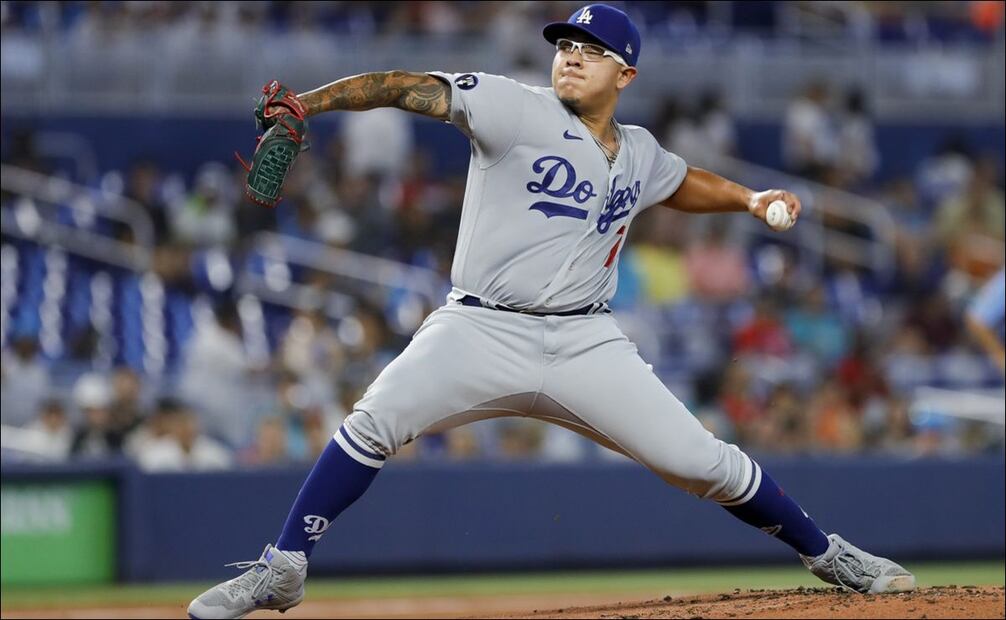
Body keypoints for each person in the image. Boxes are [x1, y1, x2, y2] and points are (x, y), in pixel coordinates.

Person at [189, 5, 914, 618]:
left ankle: (830, 555)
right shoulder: (514, 105)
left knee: (704, 463)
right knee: (374, 420)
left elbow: (681, 180)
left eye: (591, 52)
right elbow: (408, 86)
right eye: (566, 45)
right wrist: (309, 103)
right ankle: (284, 566)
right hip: (479, 326)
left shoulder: (637, 151)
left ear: (625, 75)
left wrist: (751, 199)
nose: (570, 57)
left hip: (586, 341)